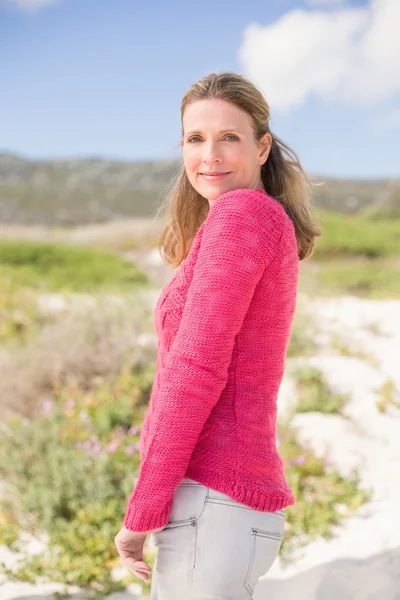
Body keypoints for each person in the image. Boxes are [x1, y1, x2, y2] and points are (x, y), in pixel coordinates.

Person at [114, 71, 321, 599]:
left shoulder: (243, 215)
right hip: (222, 505)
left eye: (229, 136)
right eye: (195, 138)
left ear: (262, 147)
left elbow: (196, 369)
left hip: (214, 499)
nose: (210, 154)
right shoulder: (245, 220)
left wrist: (143, 509)